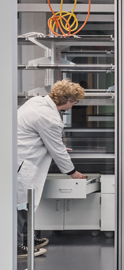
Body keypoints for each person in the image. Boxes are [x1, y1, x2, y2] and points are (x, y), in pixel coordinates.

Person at [17, 79, 87, 259]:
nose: (73, 105)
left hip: (21, 157)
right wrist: (73, 173)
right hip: (23, 163)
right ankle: (17, 246)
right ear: (68, 101)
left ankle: (28, 239)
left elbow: (44, 137)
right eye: (74, 102)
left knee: (26, 203)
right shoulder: (49, 117)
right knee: (20, 205)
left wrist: (56, 145)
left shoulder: (37, 101)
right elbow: (55, 148)